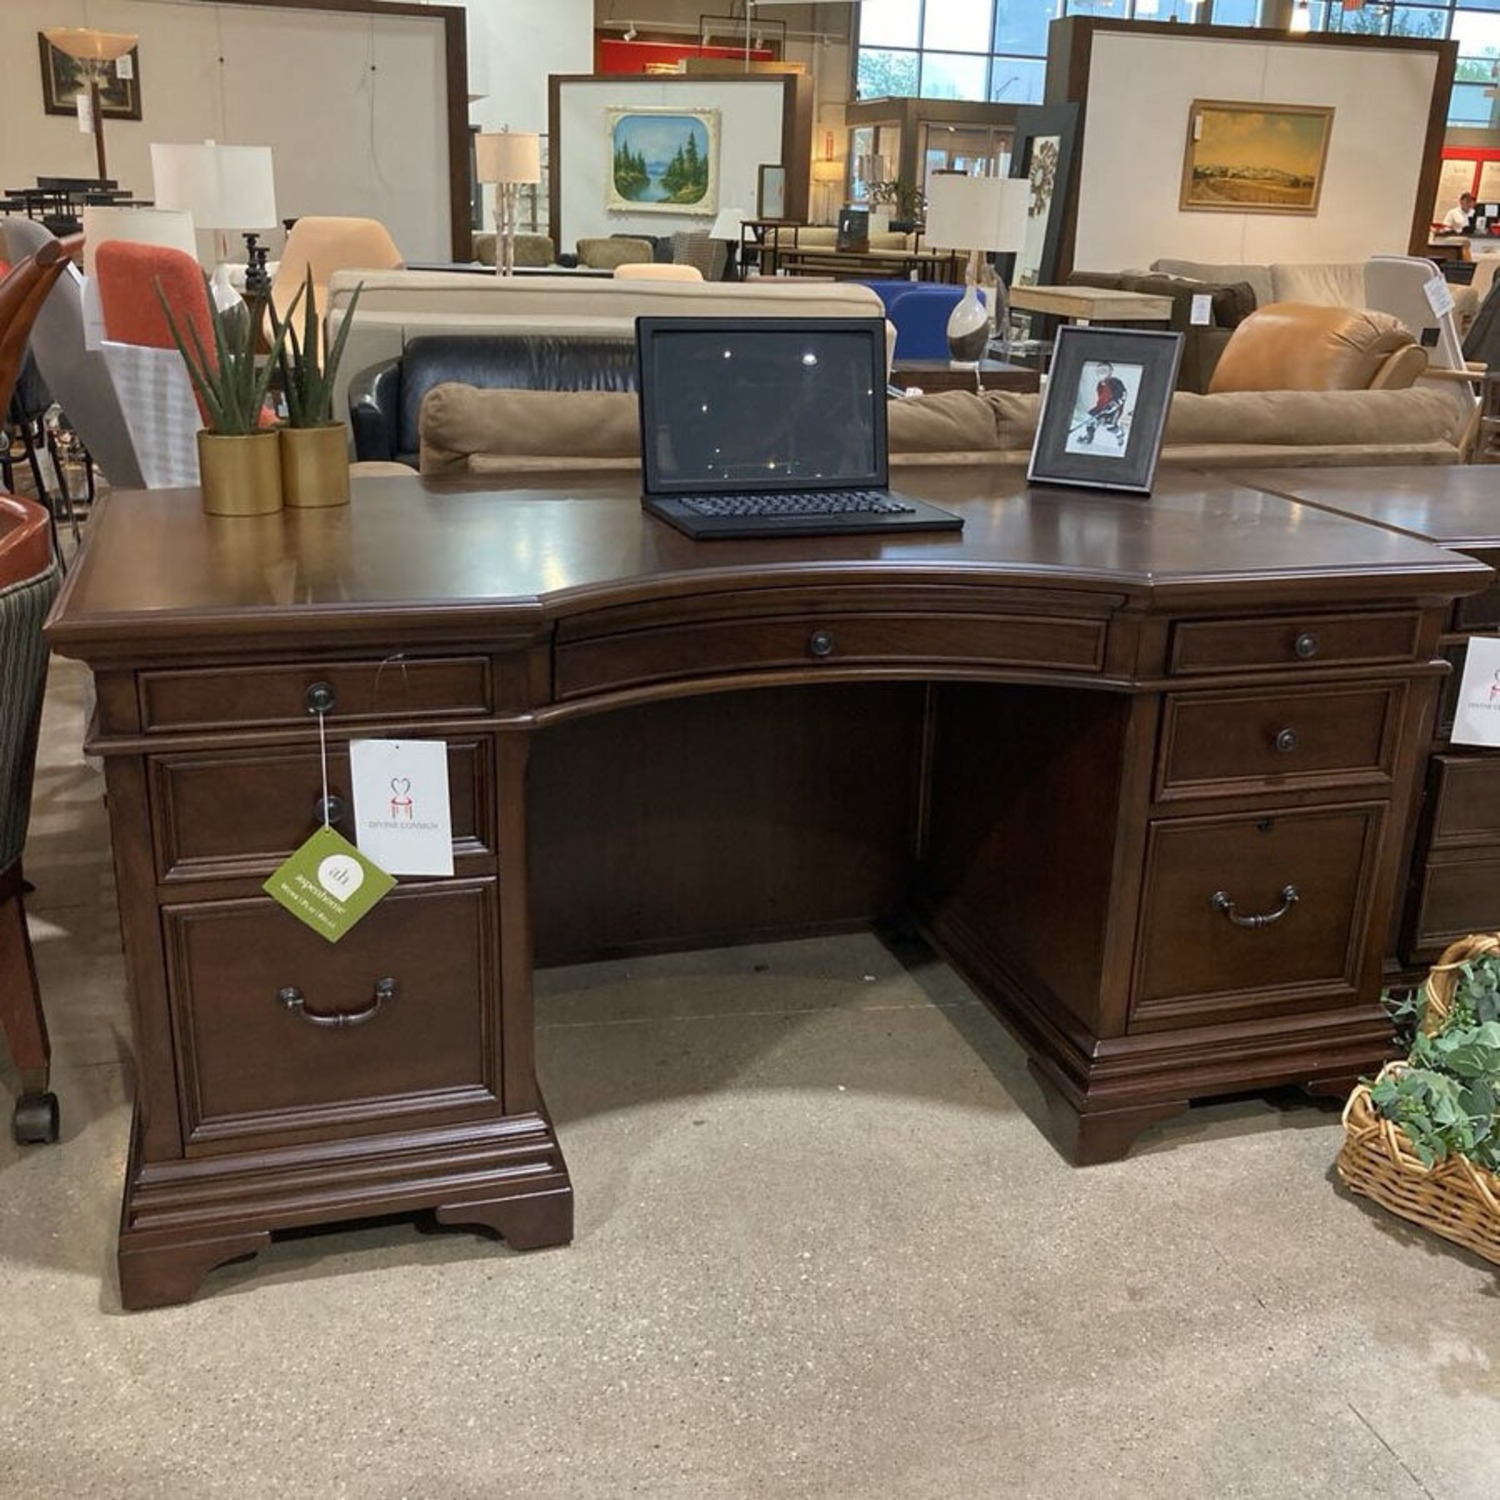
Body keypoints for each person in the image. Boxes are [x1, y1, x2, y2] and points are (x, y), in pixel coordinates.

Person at [1077, 362, 1128, 447]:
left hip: (1114, 409)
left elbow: (1123, 394)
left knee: (1110, 426)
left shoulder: (1115, 382)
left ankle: (1120, 434)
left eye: (1104, 370)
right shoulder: (1100, 385)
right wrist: (1099, 410)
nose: (1101, 373)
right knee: (1090, 418)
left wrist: (1114, 404)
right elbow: (1101, 398)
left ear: (1110, 372)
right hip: (1101, 407)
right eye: (1099, 371)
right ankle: (1088, 437)